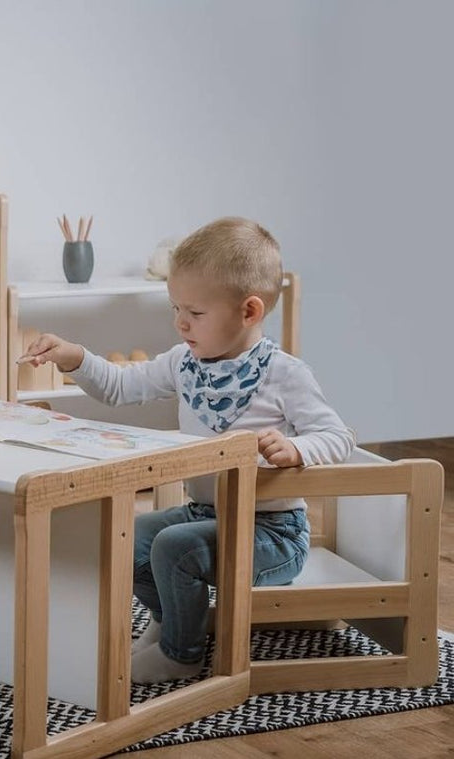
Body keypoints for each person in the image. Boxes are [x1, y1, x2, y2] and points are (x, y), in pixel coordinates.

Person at [21, 216, 354, 683]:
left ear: (249, 311)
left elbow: (338, 436)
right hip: (205, 515)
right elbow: (120, 385)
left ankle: (183, 653)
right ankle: (169, 620)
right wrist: (75, 356)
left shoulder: (286, 374)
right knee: (127, 538)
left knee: (175, 547)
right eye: (175, 308)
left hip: (272, 533)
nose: (180, 323)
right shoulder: (185, 363)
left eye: (194, 314)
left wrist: (297, 448)